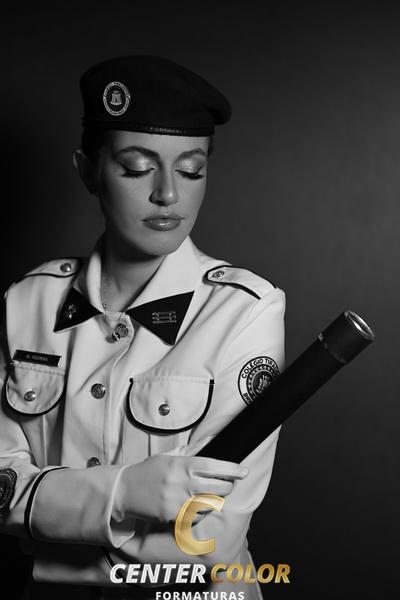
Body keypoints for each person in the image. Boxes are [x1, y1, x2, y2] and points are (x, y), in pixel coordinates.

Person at [0, 56, 285, 600]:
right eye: (136, 167)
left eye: (192, 170)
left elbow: (210, 540)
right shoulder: (25, 303)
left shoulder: (245, 312)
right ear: (88, 171)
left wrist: (47, 536)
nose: (168, 194)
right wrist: (126, 492)